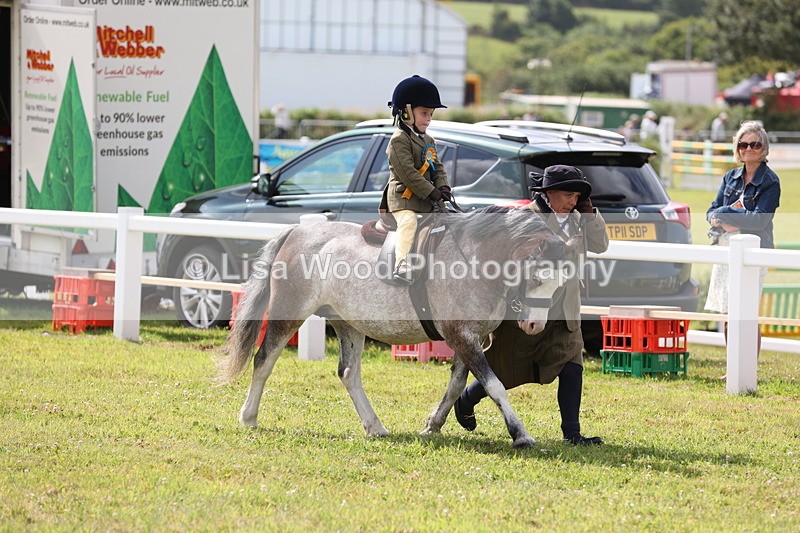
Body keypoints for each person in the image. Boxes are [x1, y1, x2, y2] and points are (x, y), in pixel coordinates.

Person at [453, 165, 610, 445]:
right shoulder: (524, 218)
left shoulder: (578, 218)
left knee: (572, 365)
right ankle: (466, 399)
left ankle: (572, 433)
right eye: (568, 195)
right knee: (504, 367)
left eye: (578, 196)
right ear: (549, 193)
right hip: (526, 306)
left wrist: (591, 216)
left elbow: (601, 245)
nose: (573, 201)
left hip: (564, 307)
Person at [704, 121, 781, 370]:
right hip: (725, 248)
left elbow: (760, 219)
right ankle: (732, 367)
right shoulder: (730, 177)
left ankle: (747, 369)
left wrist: (726, 214)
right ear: (737, 148)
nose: (748, 148)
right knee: (728, 312)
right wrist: (723, 218)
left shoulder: (770, 181)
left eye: (754, 144)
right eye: (743, 144)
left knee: (746, 312)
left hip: (753, 251)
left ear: (763, 148)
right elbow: (710, 212)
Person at [384, 75, 451, 284]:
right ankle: (401, 264)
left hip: (425, 199)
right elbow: (409, 174)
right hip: (403, 199)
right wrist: (432, 192)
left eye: (430, 114)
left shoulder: (429, 140)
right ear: (406, 111)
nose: (428, 119)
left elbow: (436, 166)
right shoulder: (398, 140)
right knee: (409, 222)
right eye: (424, 113)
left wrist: (443, 186)